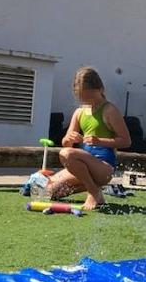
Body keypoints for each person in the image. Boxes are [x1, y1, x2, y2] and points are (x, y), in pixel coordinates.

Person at [45, 66, 131, 211]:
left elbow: (126, 141)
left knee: (66, 154)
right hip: (83, 166)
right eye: (83, 98)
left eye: (90, 96)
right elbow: (65, 143)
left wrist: (99, 141)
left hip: (103, 168)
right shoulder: (79, 112)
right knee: (50, 190)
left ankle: (93, 190)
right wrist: (69, 138)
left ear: (100, 89)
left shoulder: (110, 110)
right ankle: (94, 187)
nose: (87, 101)